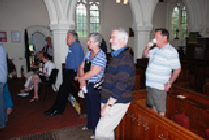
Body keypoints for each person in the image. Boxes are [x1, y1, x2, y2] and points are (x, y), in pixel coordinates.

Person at [95, 29, 135, 139]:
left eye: (113, 37)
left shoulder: (125, 58)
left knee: (101, 132)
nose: (110, 40)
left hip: (117, 101)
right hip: (111, 99)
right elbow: (116, 77)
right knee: (107, 132)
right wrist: (104, 84)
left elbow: (121, 84)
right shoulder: (117, 55)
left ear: (122, 40)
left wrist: (108, 105)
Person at [142, 28, 181, 116]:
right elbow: (144, 55)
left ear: (165, 38)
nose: (155, 40)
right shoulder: (155, 49)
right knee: (152, 106)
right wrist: (148, 47)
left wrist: (169, 83)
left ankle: (160, 127)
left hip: (159, 85)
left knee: (161, 110)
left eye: (157, 37)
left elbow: (177, 69)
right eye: (154, 37)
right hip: (150, 84)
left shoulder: (171, 51)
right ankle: (155, 126)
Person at [45, 30, 84, 116]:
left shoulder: (76, 47)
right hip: (69, 72)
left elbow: (78, 63)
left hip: (72, 73)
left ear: (74, 39)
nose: (66, 39)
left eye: (68, 37)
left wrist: (78, 76)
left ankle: (56, 110)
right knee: (63, 92)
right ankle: (57, 109)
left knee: (62, 91)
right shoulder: (72, 47)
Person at [76, 33, 107, 137]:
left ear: (97, 43)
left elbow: (95, 72)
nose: (87, 43)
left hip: (95, 85)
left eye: (90, 41)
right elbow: (82, 66)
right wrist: (82, 81)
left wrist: (81, 78)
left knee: (94, 108)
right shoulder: (89, 53)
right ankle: (90, 125)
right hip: (87, 83)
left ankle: (96, 129)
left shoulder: (101, 55)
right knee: (88, 106)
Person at [0, 43, 8, 128]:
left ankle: (1, 123)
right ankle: (4, 119)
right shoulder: (1, 47)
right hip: (2, 77)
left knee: (0, 102)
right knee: (2, 101)